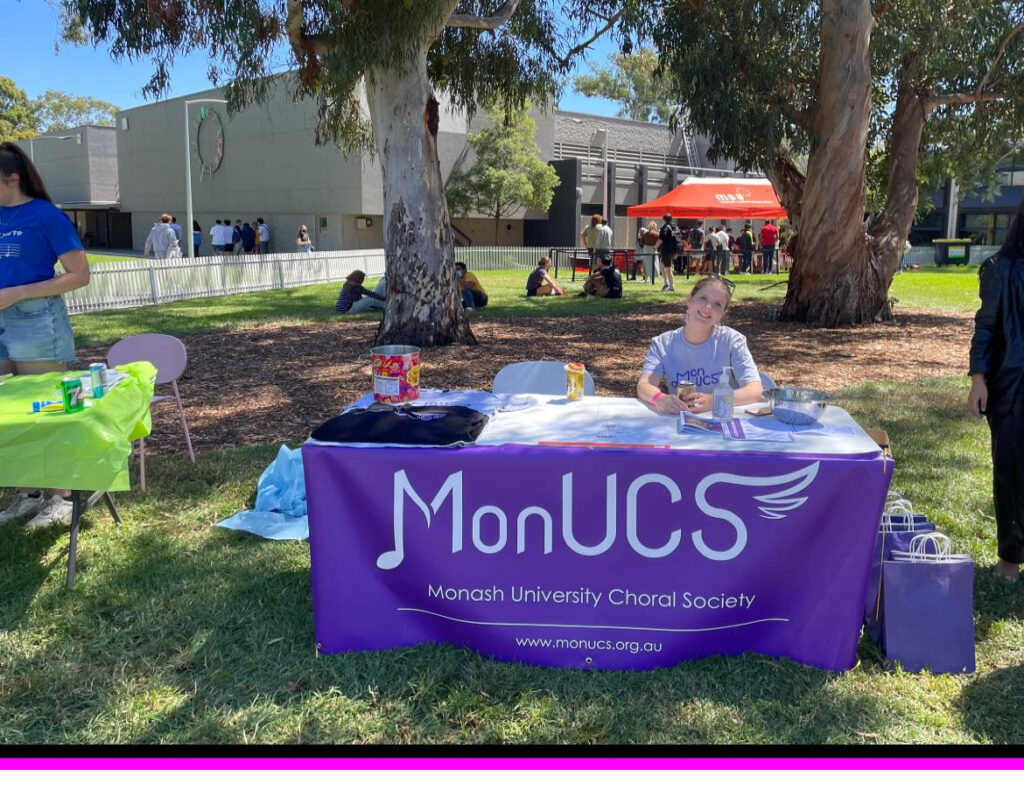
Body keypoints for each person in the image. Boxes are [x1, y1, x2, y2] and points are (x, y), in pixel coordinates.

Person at [0, 141, 90, 529]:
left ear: (12, 178)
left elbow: (79, 275)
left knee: (45, 408)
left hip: (36, 321)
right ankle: (28, 493)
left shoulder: (46, 216)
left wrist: (19, 292)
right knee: (10, 412)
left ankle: (62, 498)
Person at [968, 194, 1024, 582]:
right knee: (1011, 472)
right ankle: (1010, 557)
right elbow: (985, 327)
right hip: (1013, 387)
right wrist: (978, 380)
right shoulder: (1000, 269)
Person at [636, 274, 763, 414]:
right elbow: (644, 385)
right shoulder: (662, 344)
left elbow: (755, 391)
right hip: (679, 423)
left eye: (717, 304)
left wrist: (714, 400)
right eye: (703, 298)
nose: (708, 307)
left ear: (723, 314)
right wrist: (660, 399)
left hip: (722, 421)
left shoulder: (732, 341)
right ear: (689, 299)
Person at [656, 212, 680, 292]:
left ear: (663, 219)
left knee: (668, 269)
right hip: (674, 250)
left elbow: (660, 239)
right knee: (661, 265)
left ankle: (671, 286)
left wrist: (655, 247)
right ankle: (666, 283)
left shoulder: (664, 228)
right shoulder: (675, 227)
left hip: (666, 250)